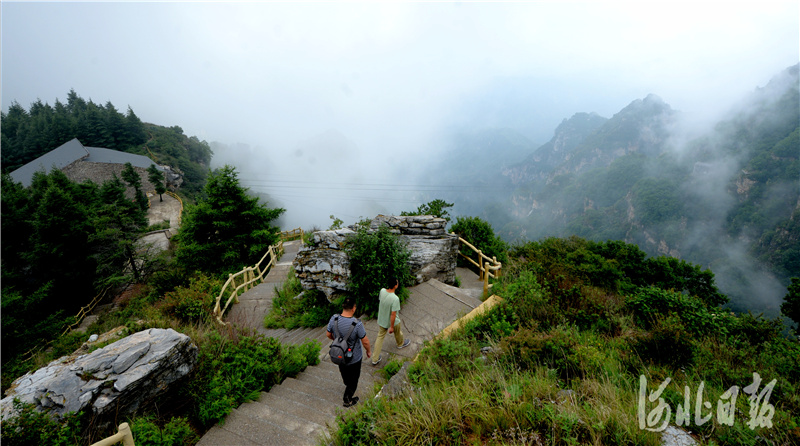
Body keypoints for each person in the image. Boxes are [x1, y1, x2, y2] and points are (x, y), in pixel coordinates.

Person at [326, 297, 371, 407]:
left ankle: (347, 384)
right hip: (354, 358)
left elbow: (328, 334)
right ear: (353, 308)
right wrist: (368, 351)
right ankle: (347, 399)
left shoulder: (334, 319)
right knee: (354, 379)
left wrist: (338, 343)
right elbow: (365, 341)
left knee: (345, 373)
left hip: (339, 354)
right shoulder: (357, 324)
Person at [371, 277, 411, 366]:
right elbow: (393, 314)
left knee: (380, 337)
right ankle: (400, 343)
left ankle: (375, 358)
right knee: (398, 331)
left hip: (382, 319)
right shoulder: (395, 298)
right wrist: (391, 327)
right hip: (393, 320)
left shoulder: (382, 291)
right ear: (395, 286)